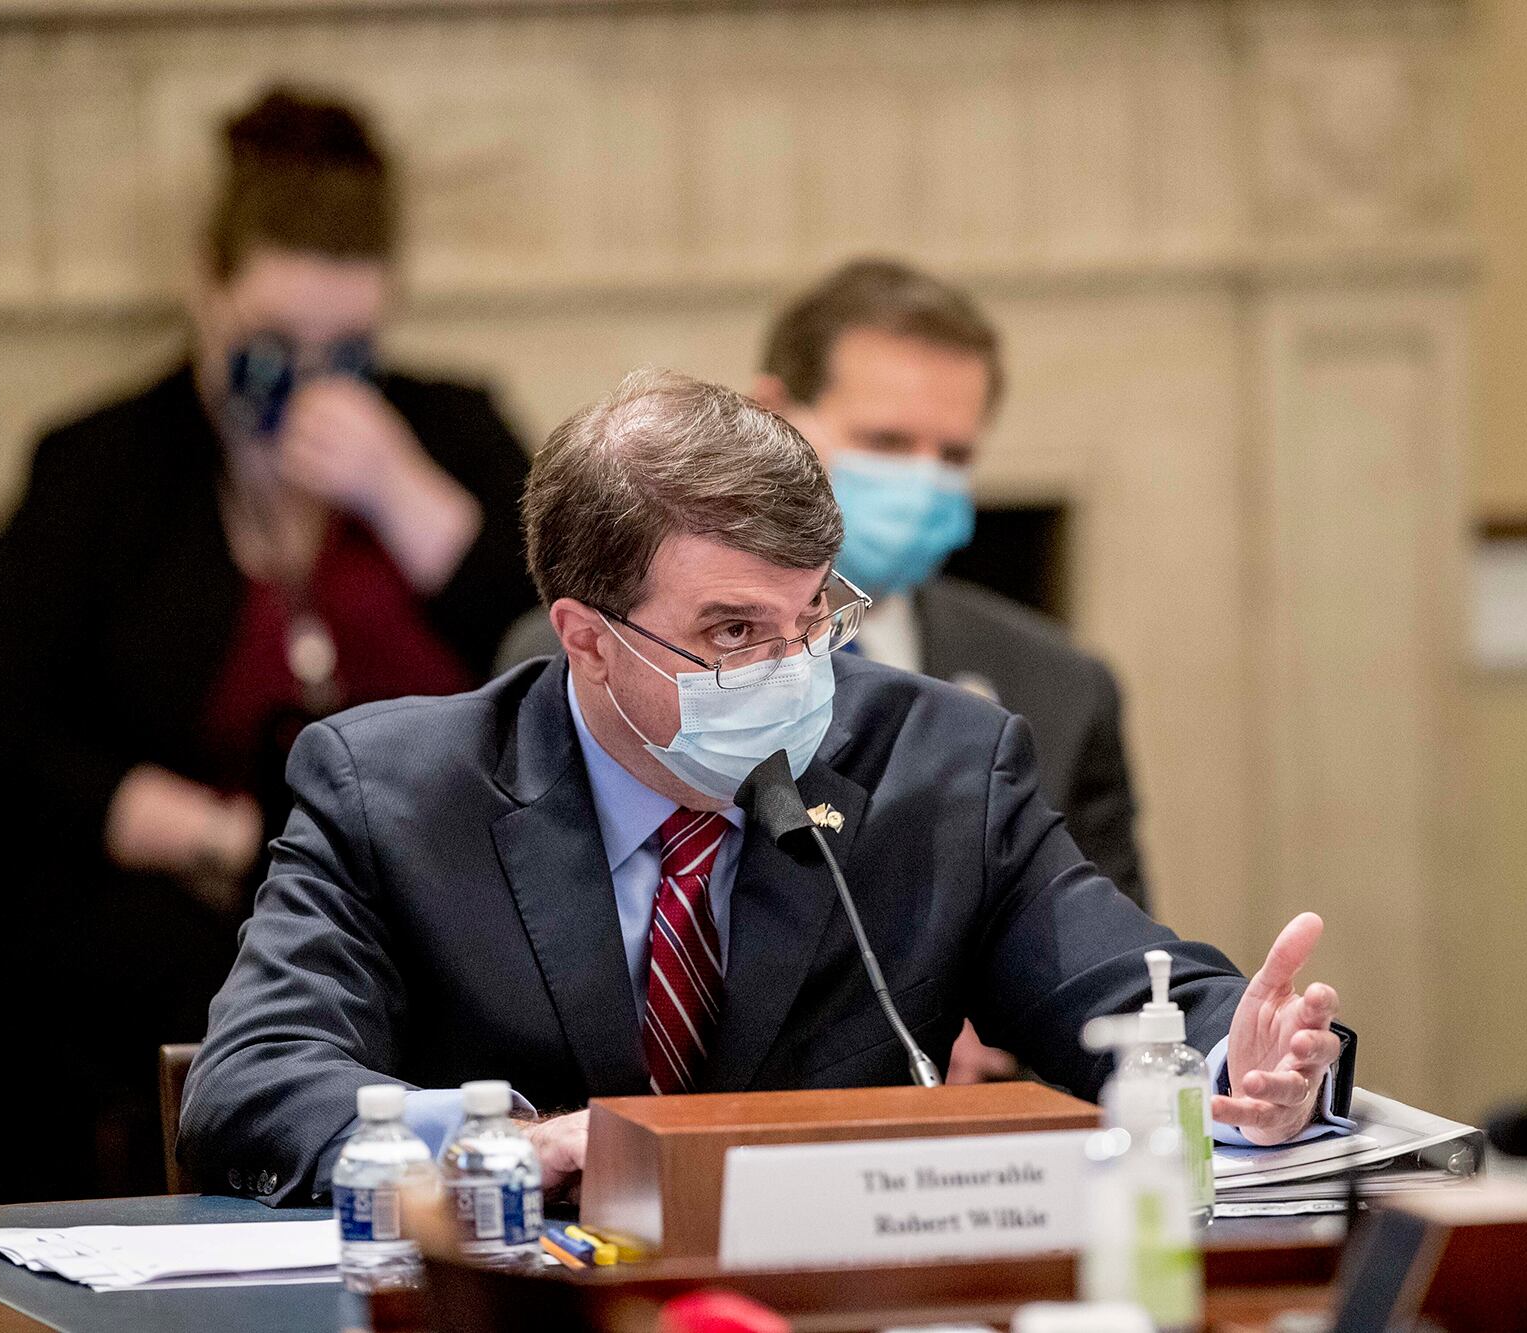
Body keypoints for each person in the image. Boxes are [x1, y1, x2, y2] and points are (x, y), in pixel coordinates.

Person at [179, 370, 1350, 1206]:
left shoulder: (940, 763)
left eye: (810, 621)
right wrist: (506, 1143)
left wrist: (1235, 1061)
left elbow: (1131, 989)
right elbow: (255, 1081)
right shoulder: (393, 788)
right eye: (730, 630)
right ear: (583, 636)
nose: (789, 671)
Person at [0, 86, 535, 1196]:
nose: (311, 377)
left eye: (348, 346)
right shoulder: (108, 467)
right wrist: (204, 831)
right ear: (205, 290)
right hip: (201, 894)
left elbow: (560, 644)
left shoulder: (452, 431)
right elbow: (2, 727)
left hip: (451, 882)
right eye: (274, 342)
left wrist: (404, 493)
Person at [495, 258, 1145, 1084]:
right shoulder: (564, 659)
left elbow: (1112, 969)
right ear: (772, 415)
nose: (922, 481)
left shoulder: (1058, 684)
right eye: (885, 443)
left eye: (953, 454)